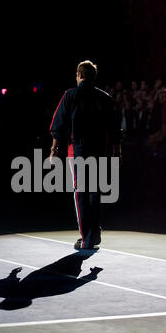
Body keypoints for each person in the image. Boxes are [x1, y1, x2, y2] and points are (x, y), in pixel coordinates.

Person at [49, 60, 122, 251]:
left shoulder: (70, 95)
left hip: (78, 151)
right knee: (94, 192)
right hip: (99, 151)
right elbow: (115, 126)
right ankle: (94, 232)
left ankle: (86, 237)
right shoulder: (104, 97)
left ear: (79, 75)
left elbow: (58, 124)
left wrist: (54, 150)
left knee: (80, 193)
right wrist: (117, 151)